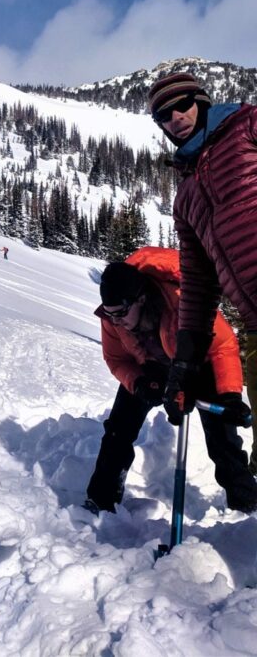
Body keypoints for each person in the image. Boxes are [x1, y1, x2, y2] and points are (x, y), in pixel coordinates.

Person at [85, 246, 257, 515]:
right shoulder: (112, 318)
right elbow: (117, 360)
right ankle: (101, 498)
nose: (114, 320)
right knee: (119, 429)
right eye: (110, 314)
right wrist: (138, 383)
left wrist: (230, 395)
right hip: (151, 369)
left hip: (198, 365)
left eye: (120, 313)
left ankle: (246, 505)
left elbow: (222, 346)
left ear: (139, 300)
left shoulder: (183, 302)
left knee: (223, 441)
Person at [148, 73, 257, 470]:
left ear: (203, 101)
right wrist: (185, 361)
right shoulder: (186, 196)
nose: (176, 117)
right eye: (164, 114)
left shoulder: (247, 125)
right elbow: (197, 282)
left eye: (183, 104)